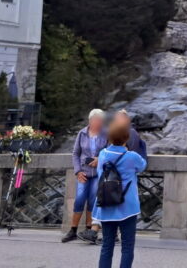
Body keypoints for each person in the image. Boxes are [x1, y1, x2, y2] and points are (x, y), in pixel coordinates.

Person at [92, 122, 147, 268]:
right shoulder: (132, 156)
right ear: (126, 138)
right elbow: (142, 166)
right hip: (127, 206)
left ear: (109, 138)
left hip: (106, 202)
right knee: (127, 246)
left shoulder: (103, 154)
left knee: (107, 245)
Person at [62, 108, 107, 244]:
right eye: (97, 120)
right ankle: (73, 230)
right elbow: (75, 153)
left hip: (98, 173)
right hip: (83, 172)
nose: (99, 123)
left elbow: (110, 151)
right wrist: (78, 171)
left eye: (101, 121)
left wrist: (100, 159)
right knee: (80, 199)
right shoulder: (81, 133)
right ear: (91, 120)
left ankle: (89, 230)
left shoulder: (106, 133)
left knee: (93, 201)